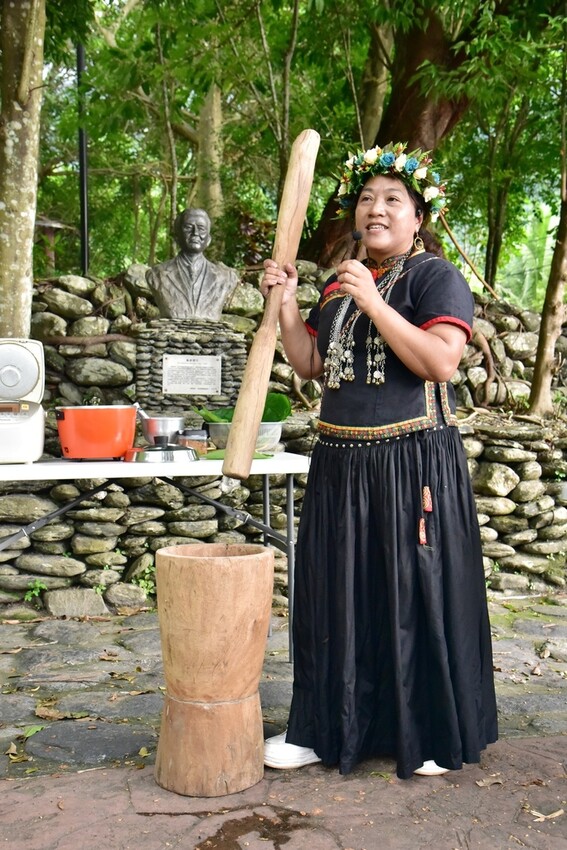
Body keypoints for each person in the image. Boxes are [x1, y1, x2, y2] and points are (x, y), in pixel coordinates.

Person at [261, 141, 498, 780]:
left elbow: (440, 361)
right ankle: (320, 727)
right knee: (333, 596)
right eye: (367, 198)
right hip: (339, 464)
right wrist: (287, 303)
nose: (376, 208)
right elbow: (310, 365)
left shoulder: (434, 277)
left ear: (419, 217)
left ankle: (422, 734)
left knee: (408, 596)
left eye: (394, 199)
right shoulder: (340, 283)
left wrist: (373, 301)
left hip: (410, 464)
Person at [146, 208, 239, 321]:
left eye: (201, 229)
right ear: (177, 237)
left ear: (208, 240)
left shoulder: (226, 277)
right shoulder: (157, 274)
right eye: (188, 227)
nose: (195, 233)